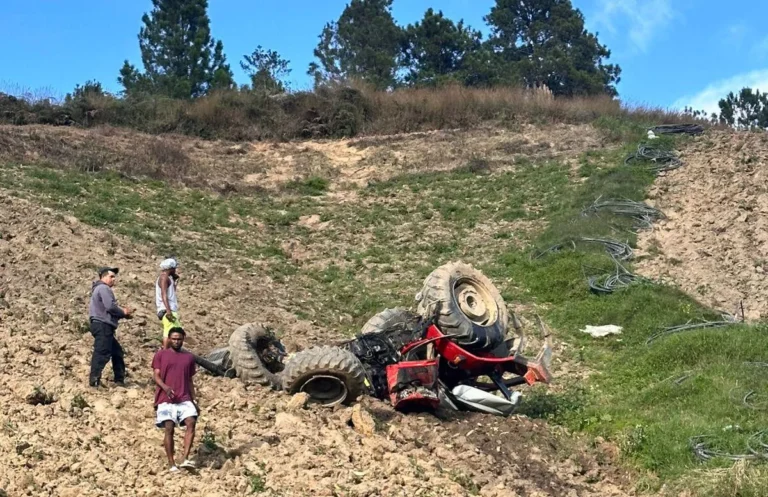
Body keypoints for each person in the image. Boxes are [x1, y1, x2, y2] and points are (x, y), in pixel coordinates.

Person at [152, 328, 198, 472]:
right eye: (174, 338)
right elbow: (156, 375)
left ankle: (185, 458)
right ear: (169, 339)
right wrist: (165, 388)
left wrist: (194, 399)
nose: (176, 341)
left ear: (183, 339)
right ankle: (171, 463)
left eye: (179, 339)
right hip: (165, 399)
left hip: (184, 397)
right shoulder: (161, 355)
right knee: (169, 428)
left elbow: (189, 379)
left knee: (191, 422)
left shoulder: (189, 357)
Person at [88, 267, 133, 388]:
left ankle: (119, 380)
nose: (114, 279)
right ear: (103, 277)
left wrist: (122, 314)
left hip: (101, 324)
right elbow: (110, 307)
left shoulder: (98, 289)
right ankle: (94, 380)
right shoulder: (103, 288)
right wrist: (123, 312)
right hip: (103, 325)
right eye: (111, 276)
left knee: (116, 352)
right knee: (102, 352)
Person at [156, 258, 182, 349]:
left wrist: (175, 282)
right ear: (170, 268)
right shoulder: (164, 277)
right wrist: (168, 311)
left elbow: (171, 294)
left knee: (176, 331)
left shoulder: (169, 278)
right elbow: (164, 294)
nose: (175, 270)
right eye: (174, 268)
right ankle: (165, 352)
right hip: (166, 309)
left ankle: (168, 351)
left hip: (170, 309)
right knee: (169, 332)